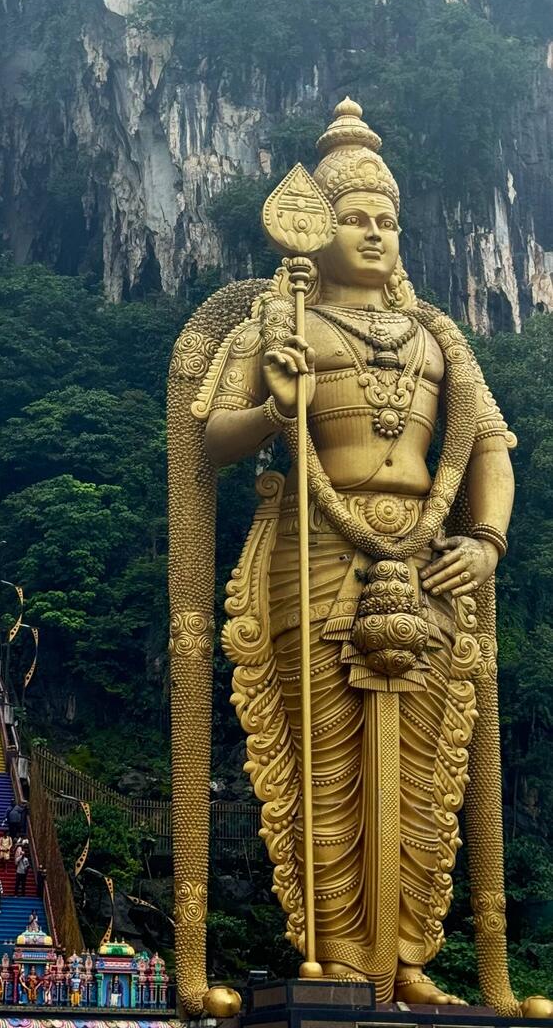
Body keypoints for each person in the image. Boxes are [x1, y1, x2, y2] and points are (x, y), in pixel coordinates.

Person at [168, 97, 528, 1010]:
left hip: (430, 558)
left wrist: (486, 540)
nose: (372, 233)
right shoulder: (281, 322)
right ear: (315, 229)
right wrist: (273, 407)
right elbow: (209, 437)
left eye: (385, 220)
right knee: (322, 761)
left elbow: (490, 447)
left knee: (427, 765)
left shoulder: (439, 337)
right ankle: (331, 954)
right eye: (354, 217)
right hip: (316, 551)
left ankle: (407, 959)